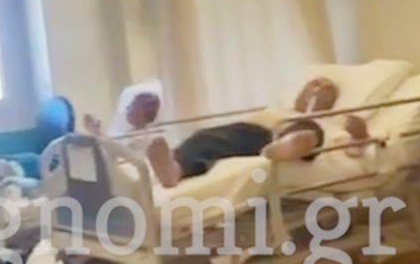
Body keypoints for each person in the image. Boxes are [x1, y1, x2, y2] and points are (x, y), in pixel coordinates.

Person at [147, 77, 372, 188]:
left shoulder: (333, 121)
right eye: (312, 86)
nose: (316, 91)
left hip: (296, 136)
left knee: (309, 129)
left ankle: (291, 146)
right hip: (255, 136)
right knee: (204, 138)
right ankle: (174, 170)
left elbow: (352, 154)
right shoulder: (275, 110)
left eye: (325, 89)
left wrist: (360, 136)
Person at [83, 79, 163, 158]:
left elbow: (121, 152)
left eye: (134, 107)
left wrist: (98, 134)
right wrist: (97, 132)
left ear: (143, 116)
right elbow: (110, 145)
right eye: (131, 104)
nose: (128, 108)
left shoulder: (145, 140)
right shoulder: (122, 123)